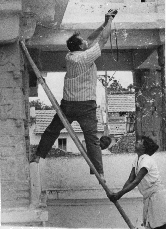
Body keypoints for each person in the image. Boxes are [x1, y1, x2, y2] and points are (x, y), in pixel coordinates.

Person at [30, 10, 118, 183]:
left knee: (52, 130)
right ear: (80, 47)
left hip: (68, 105)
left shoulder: (70, 55)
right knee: (92, 140)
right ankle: (99, 173)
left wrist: (103, 23)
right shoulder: (86, 57)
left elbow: (91, 39)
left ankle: (38, 156)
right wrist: (110, 22)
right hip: (86, 106)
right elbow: (102, 39)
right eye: (83, 42)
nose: (86, 42)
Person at [107, 136, 166, 229]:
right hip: (150, 196)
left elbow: (136, 181)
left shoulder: (146, 159)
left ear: (144, 147)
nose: (136, 142)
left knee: (159, 225)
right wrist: (119, 194)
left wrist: (119, 194)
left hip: (157, 196)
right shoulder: (137, 160)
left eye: (139, 142)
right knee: (153, 224)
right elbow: (130, 180)